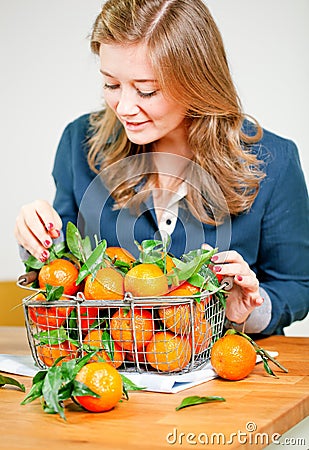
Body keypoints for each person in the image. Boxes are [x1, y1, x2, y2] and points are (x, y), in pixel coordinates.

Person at [14, 0, 309, 336]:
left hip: (229, 370)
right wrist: (37, 237)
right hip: (113, 369)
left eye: (146, 90)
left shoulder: (274, 160)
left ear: (198, 82)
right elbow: (64, 272)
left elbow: (296, 285)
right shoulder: (78, 142)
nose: (124, 107)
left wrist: (247, 310)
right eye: (111, 84)